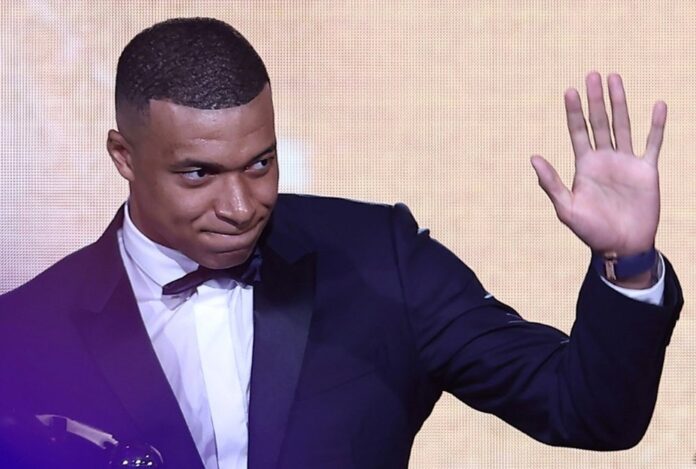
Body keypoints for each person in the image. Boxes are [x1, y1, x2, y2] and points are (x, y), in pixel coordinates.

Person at [0, 17, 682, 469]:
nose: (240, 206)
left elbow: (589, 412)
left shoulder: (382, 259)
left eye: (260, 163)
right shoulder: (23, 335)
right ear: (124, 156)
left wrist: (628, 262)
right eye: (199, 174)